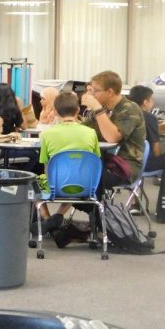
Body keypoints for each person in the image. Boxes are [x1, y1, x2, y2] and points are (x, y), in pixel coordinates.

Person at [37, 92, 102, 233]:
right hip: (86, 186)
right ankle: (58, 215)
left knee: (31, 185)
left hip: (56, 186)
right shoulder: (91, 133)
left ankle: (48, 220)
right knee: (74, 175)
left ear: (55, 111)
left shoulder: (47, 135)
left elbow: (46, 167)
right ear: (78, 110)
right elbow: (96, 160)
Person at [80, 70, 146, 187]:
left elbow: (112, 137)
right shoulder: (101, 108)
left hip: (124, 165)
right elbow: (82, 131)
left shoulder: (130, 108)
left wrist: (97, 109)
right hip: (100, 160)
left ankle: (93, 205)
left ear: (110, 92)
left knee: (84, 177)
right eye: (89, 90)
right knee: (53, 169)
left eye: (94, 91)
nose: (91, 94)